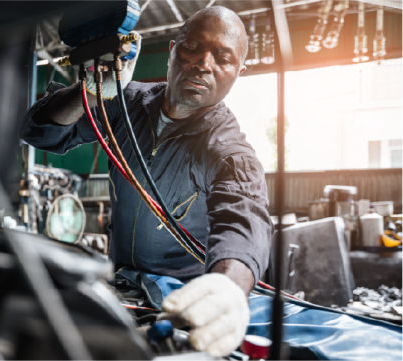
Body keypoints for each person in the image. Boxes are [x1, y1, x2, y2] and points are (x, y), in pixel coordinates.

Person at [20, 6, 272, 356]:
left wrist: (229, 289)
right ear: (172, 50)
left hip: (180, 304)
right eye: (193, 47)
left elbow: (244, 222)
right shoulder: (124, 102)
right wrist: (89, 93)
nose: (203, 63)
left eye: (223, 58)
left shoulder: (227, 149)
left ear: (238, 73)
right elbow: (39, 133)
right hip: (120, 286)